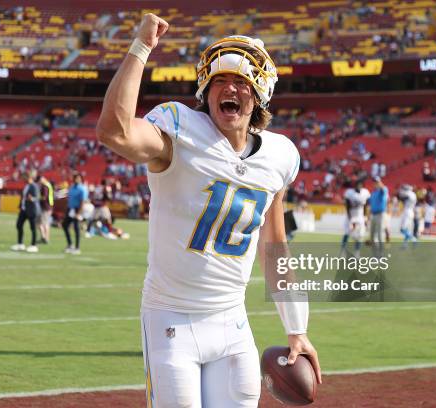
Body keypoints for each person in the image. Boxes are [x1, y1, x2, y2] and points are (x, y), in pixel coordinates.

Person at [96, 14, 321, 407]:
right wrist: (140, 48)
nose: (228, 88)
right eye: (219, 80)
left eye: (240, 82)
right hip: (170, 320)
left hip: (232, 322)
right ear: (205, 88)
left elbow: (276, 249)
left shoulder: (281, 155)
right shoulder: (179, 130)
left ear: (260, 92)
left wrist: (297, 329)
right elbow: (115, 132)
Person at [11, 172, 40, 253]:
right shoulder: (26, 185)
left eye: (23, 177)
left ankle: (34, 245)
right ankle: (20, 244)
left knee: (33, 228)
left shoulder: (34, 186)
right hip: (24, 209)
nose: (22, 179)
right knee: (19, 225)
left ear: (28, 177)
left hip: (31, 209)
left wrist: (32, 199)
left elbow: (37, 197)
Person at [340, 180, 370, 258]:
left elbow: (365, 206)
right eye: (357, 185)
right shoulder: (350, 193)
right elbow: (347, 206)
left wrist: (365, 217)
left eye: (360, 185)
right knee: (347, 233)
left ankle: (357, 252)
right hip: (351, 215)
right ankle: (343, 251)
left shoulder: (365, 192)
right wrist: (351, 219)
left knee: (360, 235)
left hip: (360, 216)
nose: (359, 187)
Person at [62, 173, 88, 254]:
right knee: (64, 225)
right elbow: (69, 198)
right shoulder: (72, 187)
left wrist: (79, 213)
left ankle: (77, 248)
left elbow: (82, 202)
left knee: (76, 228)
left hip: (77, 209)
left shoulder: (82, 189)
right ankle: (70, 244)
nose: (77, 179)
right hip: (70, 209)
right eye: (75, 178)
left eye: (78, 178)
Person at [368, 176, 388, 256]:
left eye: (376, 182)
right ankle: (375, 255)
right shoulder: (373, 193)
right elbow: (371, 205)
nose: (375, 184)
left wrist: (380, 184)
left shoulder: (382, 190)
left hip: (380, 215)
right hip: (373, 215)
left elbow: (384, 190)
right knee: (372, 237)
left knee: (380, 235)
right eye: (374, 182)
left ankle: (381, 255)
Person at [37, 175, 54, 244]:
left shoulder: (45, 187)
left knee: (42, 223)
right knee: (44, 223)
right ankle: (45, 237)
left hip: (45, 206)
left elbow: (44, 197)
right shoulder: (48, 185)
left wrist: (36, 198)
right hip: (48, 206)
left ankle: (45, 238)